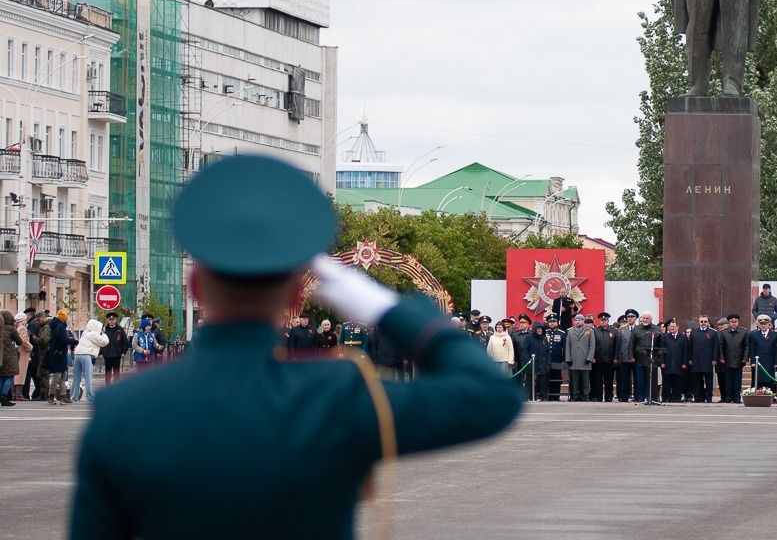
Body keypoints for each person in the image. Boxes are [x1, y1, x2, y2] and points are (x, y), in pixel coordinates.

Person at [70, 153, 522, 539]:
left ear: (194, 287)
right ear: (293, 297)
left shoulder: (125, 409)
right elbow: (492, 397)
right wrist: (388, 309)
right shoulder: (335, 395)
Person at [70, 318, 109, 403]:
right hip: (86, 355)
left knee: (76, 377)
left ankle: (73, 397)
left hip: (78, 355)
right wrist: (103, 334)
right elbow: (104, 342)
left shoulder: (85, 333)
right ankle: (90, 397)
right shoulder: (93, 334)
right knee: (88, 377)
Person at [687, 314, 719, 403]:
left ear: (708, 322)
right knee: (697, 381)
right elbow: (690, 346)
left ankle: (708, 398)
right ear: (699, 322)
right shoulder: (694, 332)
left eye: (705, 321)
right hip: (696, 360)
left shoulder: (713, 332)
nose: (703, 323)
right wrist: (690, 358)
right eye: (701, 321)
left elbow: (715, 347)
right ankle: (698, 397)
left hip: (708, 361)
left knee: (709, 381)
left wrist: (714, 359)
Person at [1, 310, 31, 406]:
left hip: (1, 355)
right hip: (10, 355)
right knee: (10, 376)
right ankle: (4, 396)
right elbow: (19, 341)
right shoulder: (11, 329)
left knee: (1, 376)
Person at [717, 313, 748, 403]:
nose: (734, 323)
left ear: (738, 322)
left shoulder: (743, 332)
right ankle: (728, 397)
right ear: (729, 322)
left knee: (737, 381)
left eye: (735, 321)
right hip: (727, 360)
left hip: (739, 360)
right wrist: (722, 358)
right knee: (728, 381)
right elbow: (721, 347)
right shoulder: (724, 332)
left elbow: (746, 346)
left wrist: (745, 358)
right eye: (732, 322)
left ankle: (737, 398)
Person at [631, 312, 661, 403]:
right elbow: (631, 344)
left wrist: (659, 358)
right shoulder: (636, 329)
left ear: (651, 319)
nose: (645, 320)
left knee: (651, 381)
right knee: (640, 380)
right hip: (639, 359)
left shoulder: (656, 329)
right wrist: (631, 356)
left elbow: (660, 344)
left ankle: (651, 397)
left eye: (647, 318)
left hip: (652, 360)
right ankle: (640, 397)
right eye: (643, 318)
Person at [564, 313, 595, 402]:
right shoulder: (570, 331)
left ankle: (585, 395)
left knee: (585, 380)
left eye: (580, 320)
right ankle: (575, 395)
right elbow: (568, 346)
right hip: (574, 360)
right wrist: (568, 358)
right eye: (576, 320)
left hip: (585, 359)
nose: (578, 322)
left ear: (583, 321)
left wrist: (589, 357)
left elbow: (592, 345)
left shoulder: (589, 330)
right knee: (574, 380)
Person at [748, 315, 777, 393]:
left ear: (769, 324)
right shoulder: (754, 334)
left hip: (770, 361)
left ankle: (771, 395)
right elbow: (752, 349)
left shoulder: (774, 335)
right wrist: (752, 362)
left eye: (765, 323)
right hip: (758, 361)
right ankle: (758, 394)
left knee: (770, 379)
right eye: (761, 324)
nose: (763, 325)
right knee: (758, 379)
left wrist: (776, 362)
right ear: (758, 325)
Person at [45, 309, 71, 405]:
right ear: (64, 319)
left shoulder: (55, 326)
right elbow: (63, 340)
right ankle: (51, 395)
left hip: (57, 353)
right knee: (58, 376)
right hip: (58, 354)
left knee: (62, 375)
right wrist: (73, 341)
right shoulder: (60, 327)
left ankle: (63, 396)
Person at [589, 312, 617, 402]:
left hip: (609, 360)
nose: (603, 321)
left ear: (608, 320)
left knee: (609, 380)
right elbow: (592, 345)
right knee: (597, 380)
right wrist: (592, 357)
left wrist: (615, 358)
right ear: (599, 321)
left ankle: (609, 397)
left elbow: (617, 346)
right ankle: (598, 397)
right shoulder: (595, 331)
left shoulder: (614, 331)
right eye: (601, 320)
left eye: (605, 320)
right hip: (597, 360)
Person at [659, 318, 688, 402]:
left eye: (673, 326)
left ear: (677, 327)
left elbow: (685, 351)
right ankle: (666, 397)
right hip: (667, 363)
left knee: (678, 381)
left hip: (678, 363)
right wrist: (662, 362)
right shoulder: (665, 337)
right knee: (667, 382)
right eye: (670, 326)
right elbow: (662, 351)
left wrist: (684, 362)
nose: (672, 328)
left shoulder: (683, 337)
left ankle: (676, 397)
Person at [100, 313, 130, 385]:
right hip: (107, 354)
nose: (111, 321)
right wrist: (101, 352)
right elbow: (100, 342)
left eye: (113, 320)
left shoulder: (120, 330)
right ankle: (108, 386)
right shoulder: (104, 330)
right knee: (108, 371)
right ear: (107, 320)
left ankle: (116, 386)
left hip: (117, 354)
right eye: (110, 320)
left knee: (116, 372)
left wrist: (124, 352)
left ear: (116, 320)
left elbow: (125, 341)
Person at [615, 309, 638, 403]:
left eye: (632, 317)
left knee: (637, 378)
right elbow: (618, 345)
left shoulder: (639, 329)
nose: (630, 319)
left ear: (636, 318)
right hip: (624, 357)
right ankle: (624, 397)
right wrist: (616, 357)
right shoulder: (621, 330)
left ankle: (637, 396)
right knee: (625, 379)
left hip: (636, 358)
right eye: (628, 317)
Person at [544, 314, 567, 401]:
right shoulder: (545, 332)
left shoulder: (562, 333)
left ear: (557, 323)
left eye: (554, 322)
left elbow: (565, 347)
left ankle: (556, 396)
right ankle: (549, 396)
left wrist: (564, 359)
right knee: (547, 378)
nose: (552, 323)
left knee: (557, 378)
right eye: (550, 322)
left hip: (557, 359)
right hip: (547, 360)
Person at [529, 321, 550, 401]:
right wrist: (528, 361)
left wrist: (548, 363)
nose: (540, 330)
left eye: (541, 329)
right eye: (538, 329)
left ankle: (543, 396)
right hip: (533, 363)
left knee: (542, 381)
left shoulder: (544, 339)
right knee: (531, 381)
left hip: (543, 363)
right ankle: (531, 396)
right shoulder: (529, 338)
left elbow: (548, 352)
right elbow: (525, 351)